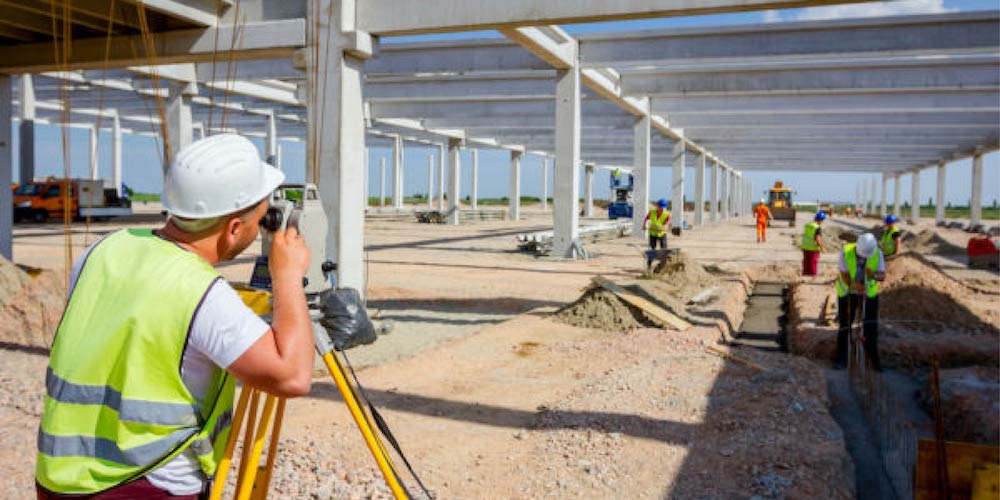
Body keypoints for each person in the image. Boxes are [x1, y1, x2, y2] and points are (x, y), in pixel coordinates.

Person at [36, 134, 315, 499]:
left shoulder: (103, 250)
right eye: (259, 220)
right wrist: (287, 277)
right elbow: (292, 376)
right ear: (233, 228)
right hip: (144, 484)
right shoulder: (202, 292)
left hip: (60, 477)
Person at [834, 233, 885, 371]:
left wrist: (872, 275)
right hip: (848, 291)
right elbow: (844, 275)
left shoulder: (877, 253)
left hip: (869, 293)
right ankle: (841, 359)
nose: (864, 257)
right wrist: (855, 285)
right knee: (845, 325)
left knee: (871, 327)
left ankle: (872, 359)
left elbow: (881, 276)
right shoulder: (845, 252)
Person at [642, 199, 671, 267]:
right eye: (661, 207)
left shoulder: (666, 215)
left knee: (664, 250)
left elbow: (667, 224)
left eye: (664, 208)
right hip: (653, 234)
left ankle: (663, 265)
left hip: (662, 234)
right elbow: (646, 219)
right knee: (652, 250)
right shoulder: (652, 212)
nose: (662, 209)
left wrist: (663, 227)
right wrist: (644, 225)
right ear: (657, 207)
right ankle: (649, 266)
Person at [800, 211, 826, 276]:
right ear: (821, 220)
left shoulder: (808, 225)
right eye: (823, 220)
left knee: (806, 262)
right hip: (813, 248)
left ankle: (805, 275)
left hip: (805, 248)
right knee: (813, 263)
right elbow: (818, 239)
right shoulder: (817, 227)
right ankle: (813, 276)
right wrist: (822, 248)